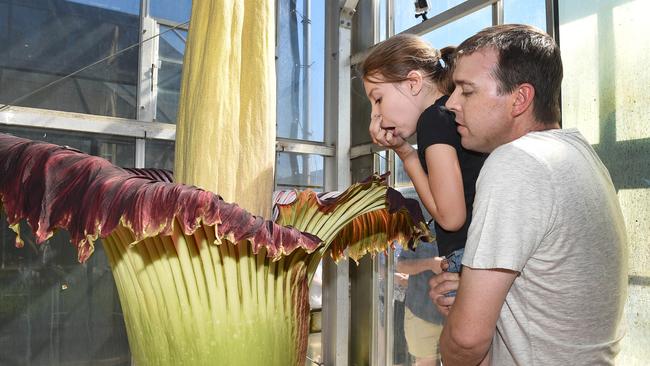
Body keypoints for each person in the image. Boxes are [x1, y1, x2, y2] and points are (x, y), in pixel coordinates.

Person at [428, 24, 628, 365]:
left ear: (519, 99)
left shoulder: (516, 161)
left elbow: (466, 342)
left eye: (467, 90)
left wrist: (454, 343)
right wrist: (469, 301)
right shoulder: (580, 156)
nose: (450, 103)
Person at [361, 34, 487, 286]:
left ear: (413, 83)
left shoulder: (433, 120)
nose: (375, 115)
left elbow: (451, 218)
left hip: (470, 258)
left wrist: (406, 154)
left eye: (378, 99)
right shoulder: (448, 114)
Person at [396, 238, 444, 366]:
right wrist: (430, 263)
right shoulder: (417, 226)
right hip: (421, 313)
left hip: (457, 316)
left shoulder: (470, 223)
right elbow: (401, 265)